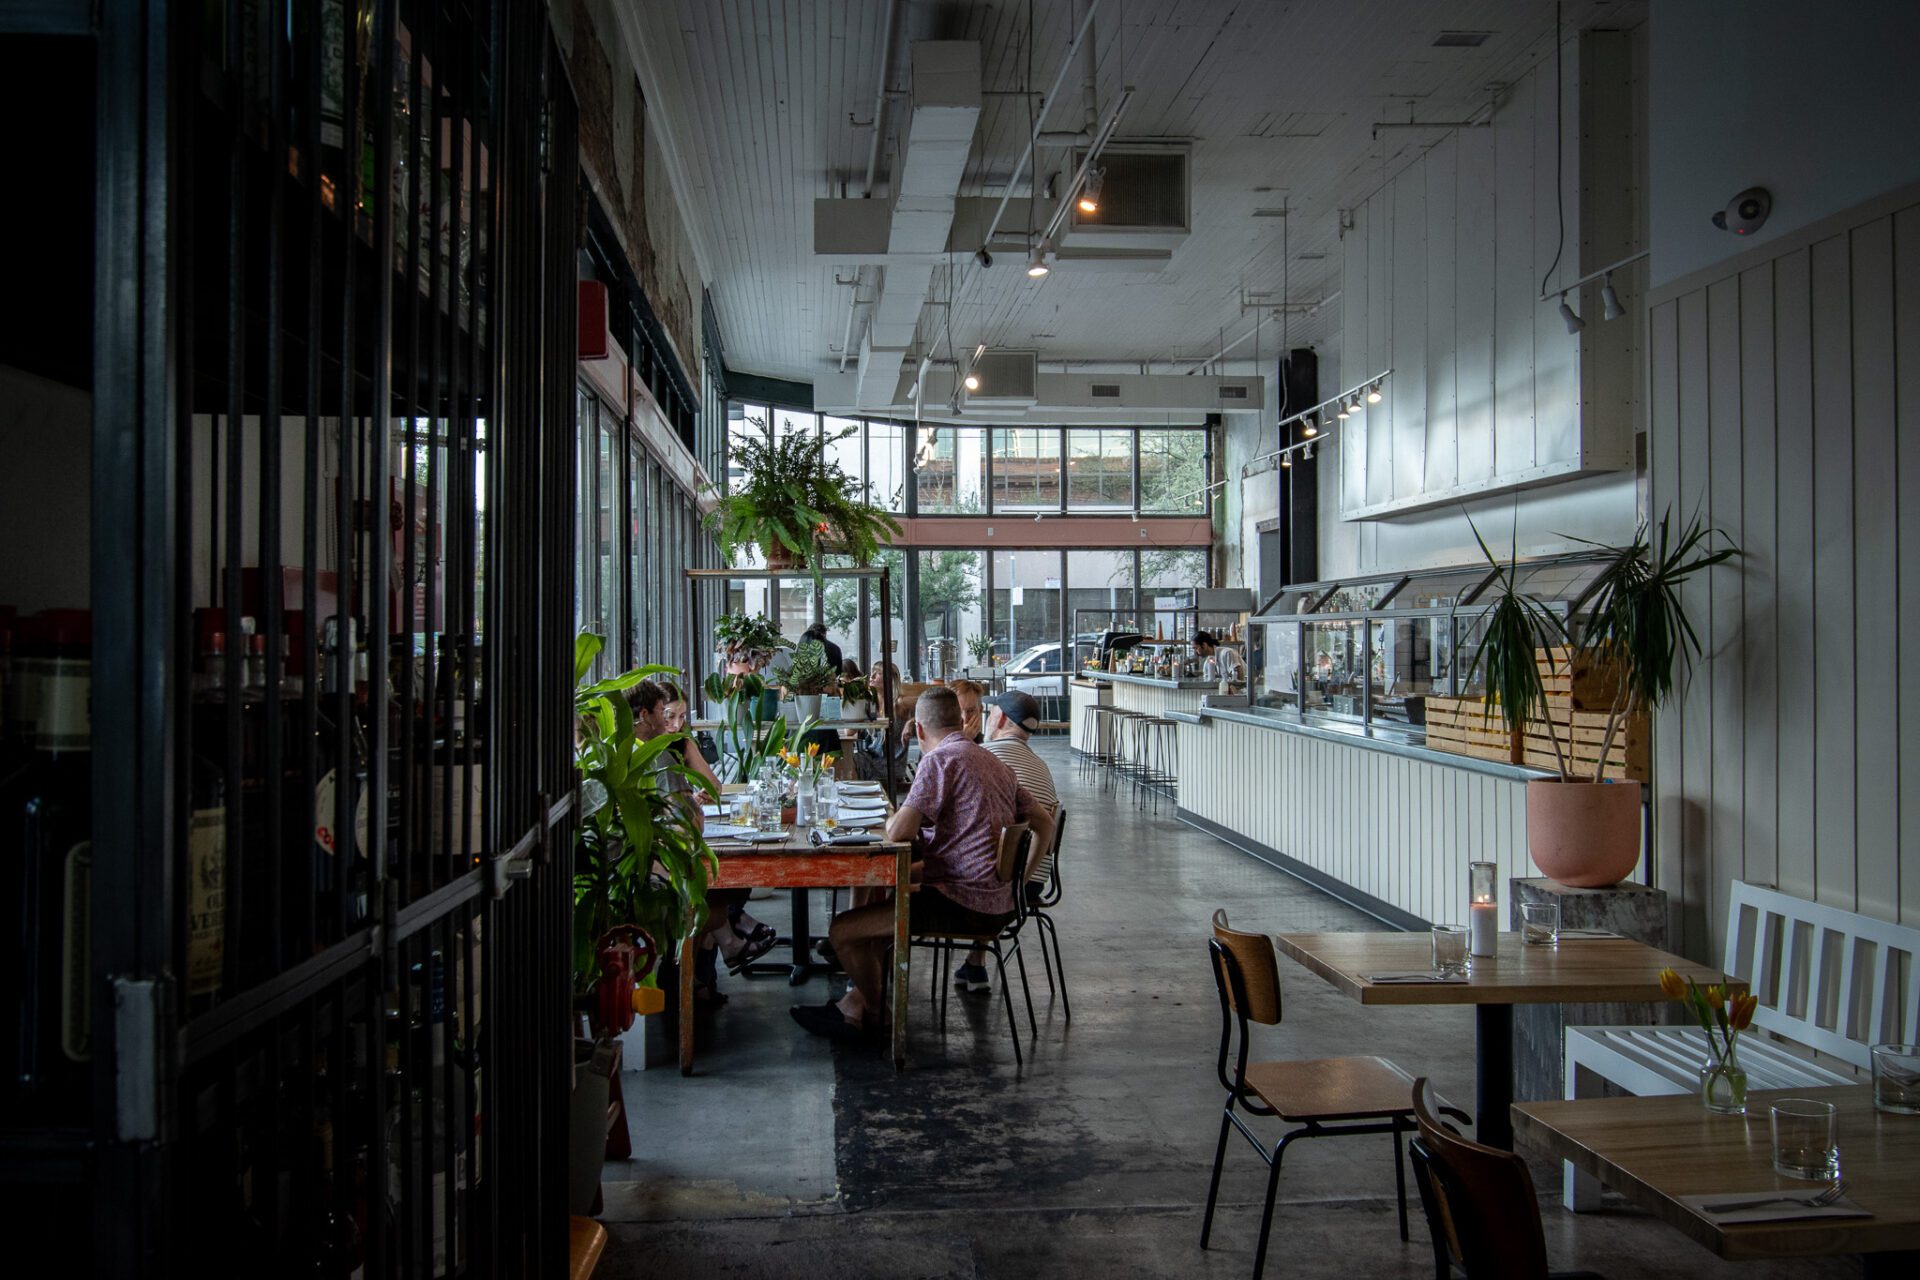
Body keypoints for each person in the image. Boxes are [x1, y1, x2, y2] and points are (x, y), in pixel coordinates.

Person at [792, 687, 1037, 1043]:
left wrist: (897, 820)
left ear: (919, 730)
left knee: (842, 932)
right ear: (962, 720)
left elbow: (899, 830)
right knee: (877, 908)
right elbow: (1040, 819)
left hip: (961, 903)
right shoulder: (994, 762)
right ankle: (853, 1006)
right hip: (997, 902)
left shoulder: (939, 760)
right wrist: (1017, 879)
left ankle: (876, 1017)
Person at [628, 680, 775, 1000]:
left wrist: (688, 746)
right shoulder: (653, 758)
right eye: (665, 716)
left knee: (723, 882)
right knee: (720, 890)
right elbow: (688, 820)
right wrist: (691, 804)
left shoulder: (665, 750)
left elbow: (714, 790)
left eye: (682, 717)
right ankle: (717, 955)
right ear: (646, 715)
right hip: (658, 871)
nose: (675, 725)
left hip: (665, 859)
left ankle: (702, 978)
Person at [955, 690, 1058, 993]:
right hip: (1035, 879)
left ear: (999, 717)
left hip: (1007, 882)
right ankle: (976, 963)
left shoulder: (987, 758)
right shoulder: (1041, 765)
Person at [949, 678, 985, 743]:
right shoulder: (935, 744)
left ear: (980, 710)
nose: (965, 718)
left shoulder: (987, 745)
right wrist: (964, 739)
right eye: (958, 711)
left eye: (971, 711)